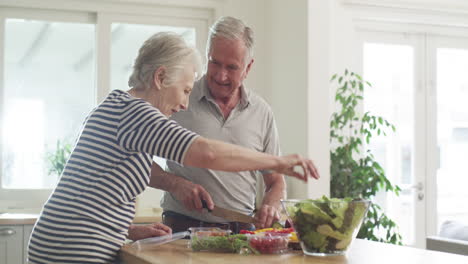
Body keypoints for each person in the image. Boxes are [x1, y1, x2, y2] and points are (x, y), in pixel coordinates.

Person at [27, 32, 318, 264]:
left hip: (63, 243)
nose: (183, 103)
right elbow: (207, 153)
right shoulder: (136, 113)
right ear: (159, 78)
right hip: (71, 251)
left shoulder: (118, 106)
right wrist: (277, 162)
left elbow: (90, 195)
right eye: (185, 90)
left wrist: (126, 230)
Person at [151, 16, 320, 234]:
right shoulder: (179, 98)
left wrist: (271, 206)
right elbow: (139, 162)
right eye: (214, 62)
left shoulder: (262, 112)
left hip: (241, 234)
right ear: (206, 55)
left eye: (231, 67)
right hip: (181, 230)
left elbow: (276, 182)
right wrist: (174, 184)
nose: (221, 75)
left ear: (248, 67)